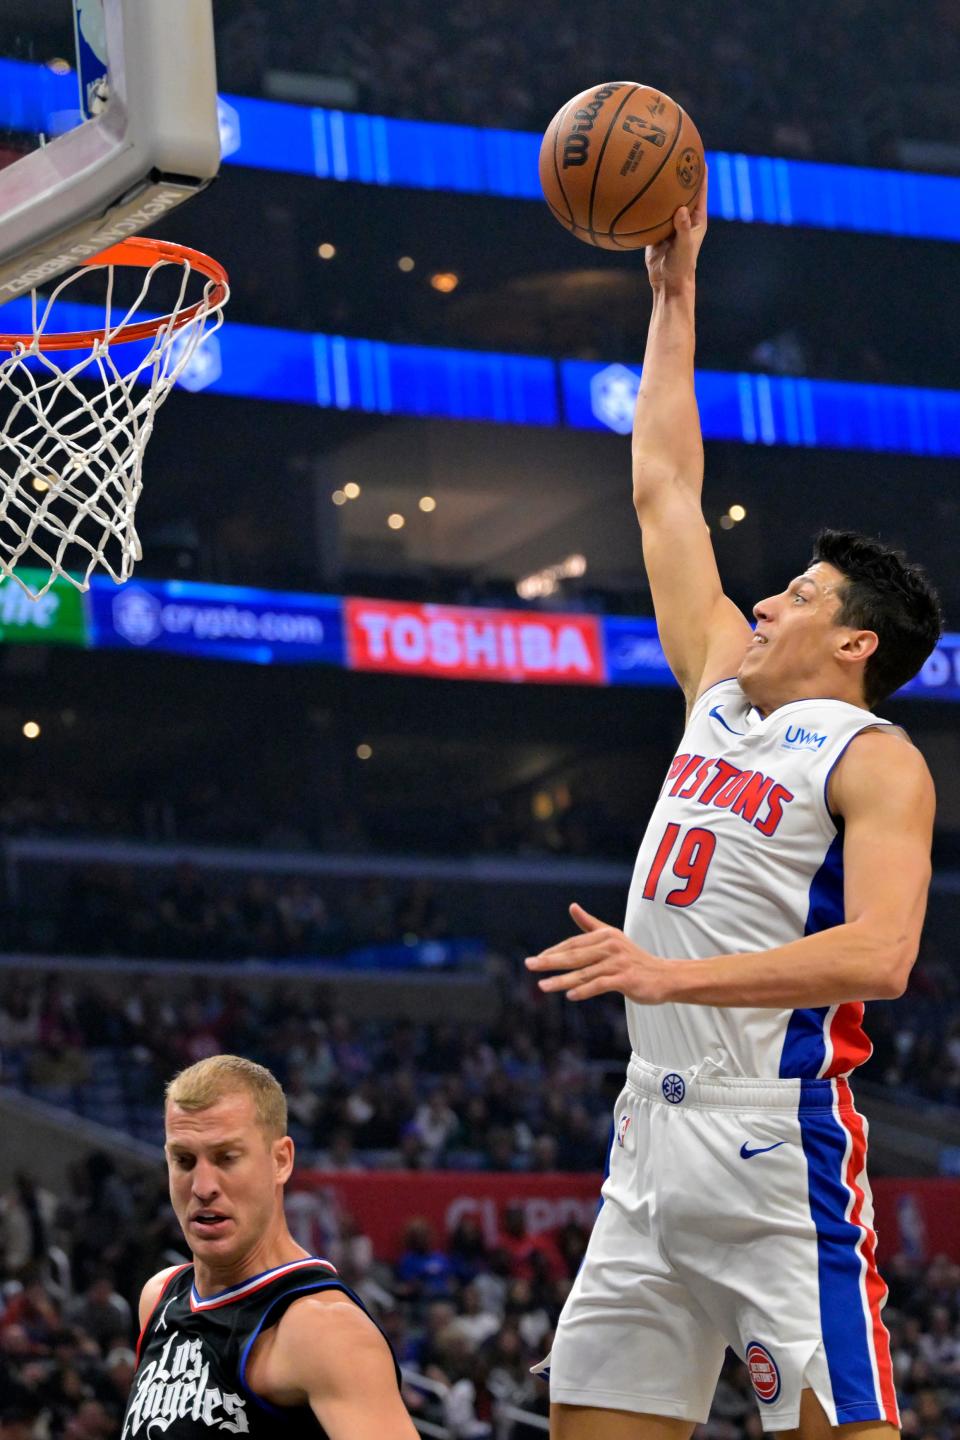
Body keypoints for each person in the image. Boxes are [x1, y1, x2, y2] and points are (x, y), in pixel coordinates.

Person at [525, 168, 942, 1440]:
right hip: (647, 1143)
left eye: (800, 597)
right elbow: (662, 483)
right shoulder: (716, 688)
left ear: (856, 644)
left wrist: (667, 978)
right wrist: (674, 297)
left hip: (779, 1152)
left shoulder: (875, 758)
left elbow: (883, 954)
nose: (764, 603)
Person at [123, 1054, 417, 1438]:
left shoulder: (325, 1330)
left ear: (281, 1161)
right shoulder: (160, 1297)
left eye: (226, 1158)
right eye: (184, 1160)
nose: (202, 1186)